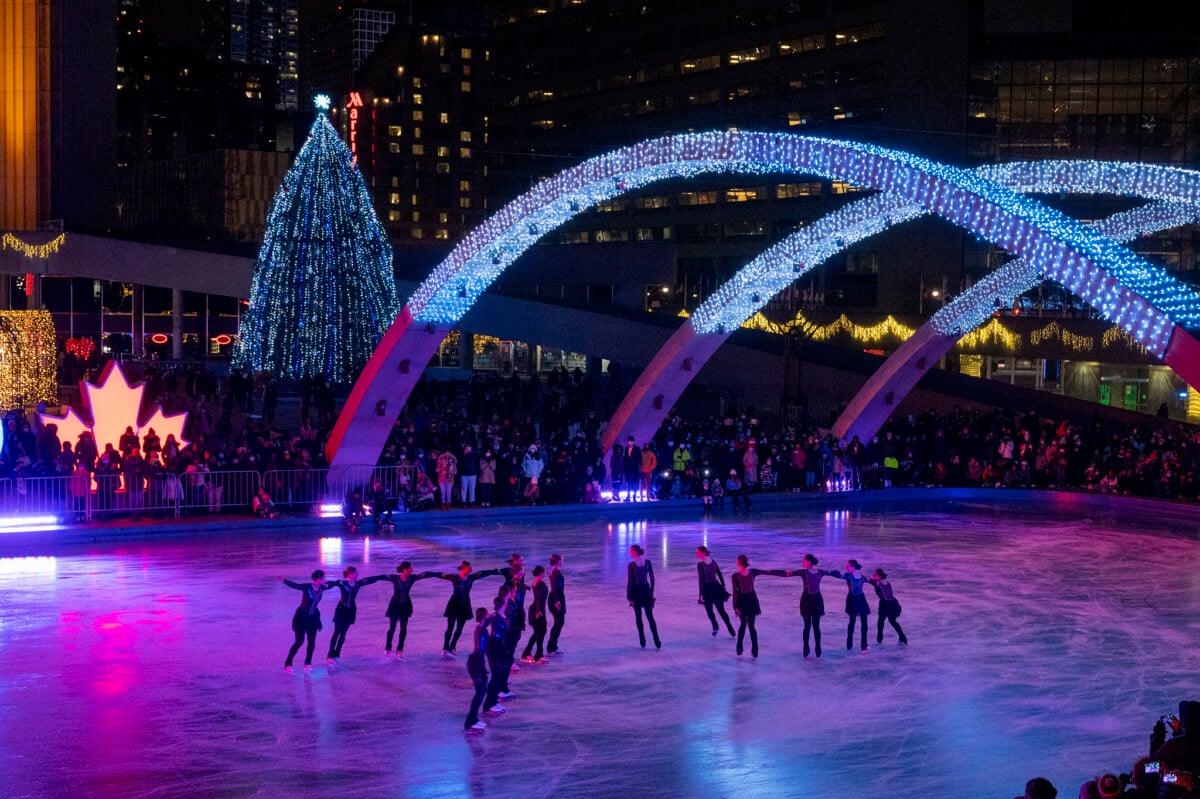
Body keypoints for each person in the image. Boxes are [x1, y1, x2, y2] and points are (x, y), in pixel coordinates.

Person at [437, 561, 502, 657]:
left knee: (459, 628)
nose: (471, 570)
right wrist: (427, 574)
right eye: (469, 568)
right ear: (463, 568)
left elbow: (482, 573)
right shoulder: (454, 577)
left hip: (464, 605)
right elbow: (440, 575)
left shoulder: (471, 578)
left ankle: (453, 646)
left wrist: (494, 571)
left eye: (471, 568)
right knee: (450, 628)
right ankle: (445, 647)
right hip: (453, 605)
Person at [730, 554, 790, 658]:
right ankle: (739, 646)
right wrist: (735, 607)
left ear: (739, 562)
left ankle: (755, 648)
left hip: (752, 601)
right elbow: (735, 593)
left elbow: (768, 572)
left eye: (737, 560)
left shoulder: (752, 572)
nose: (736, 562)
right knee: (743, 624)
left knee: (751, 626)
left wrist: (782, 572)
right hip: (742, 602)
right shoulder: (735, 576)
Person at [325, 566, 386, 663]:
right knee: (336, 633)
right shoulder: (343, 583)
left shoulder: (358, 584)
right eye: (356, 573)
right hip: (341, 610)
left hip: (351, 611)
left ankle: (337, 653)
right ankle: (330, 654)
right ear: (350, 574)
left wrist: (379, 577)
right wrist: (323, 585)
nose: (358, 575)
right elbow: (332, 583)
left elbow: (369, 580)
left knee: (343, 633)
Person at [277, 570, 332, 672]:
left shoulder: (322, 587)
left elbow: (332, 585)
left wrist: (340, 582)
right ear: (319, 579)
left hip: (313, 618)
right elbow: (296, 586)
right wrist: (284, 580)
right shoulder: (307, 587)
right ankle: (288, 663)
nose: (325, 579)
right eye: (323, 578)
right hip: (301, 617)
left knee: (312, 642)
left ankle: (308, 663)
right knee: (299, 641)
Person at [379, 561, 435, 658]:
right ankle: (388, 648)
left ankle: (400, 649)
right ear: (404, 569)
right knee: (392, 628)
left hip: (405, 605)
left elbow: (425, 574)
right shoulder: (394, 578)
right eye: (410, 568)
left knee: (403, 628)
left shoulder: (412, 578)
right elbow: (380, 577)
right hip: (395, 605)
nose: (412, 570)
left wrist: (438, 574)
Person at [794, 553, 839, 658]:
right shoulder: (803, 572)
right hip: (806, 601)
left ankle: (818, 646)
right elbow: (786, 573)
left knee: (815, 626)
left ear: (809, 562)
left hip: (817, 601)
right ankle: (806, 647)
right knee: (807, 625)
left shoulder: (819, 572)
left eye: (804, 560)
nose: (802, 562)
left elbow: (833, 574)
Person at [695, 546, 736, 638]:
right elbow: (719, 574)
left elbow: (701, 581)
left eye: (697, 552)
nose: (696, 554)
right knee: (721, 611)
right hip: (716, 588)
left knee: (710, 612)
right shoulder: (713, 561)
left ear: (703, 553)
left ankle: (715, 626)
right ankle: (730, 629)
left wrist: (700, 594)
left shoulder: (700, 565)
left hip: (707, 590)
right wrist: (723, 585)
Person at [626, 544, 661, 649]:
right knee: (650, 617)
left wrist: (629, 597)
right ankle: (657, 640)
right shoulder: (647, 563)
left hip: (636, 593)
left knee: (639, 617)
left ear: (635, 552)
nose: (630, 552)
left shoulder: (631, 565)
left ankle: (642, 639)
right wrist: (651, 593)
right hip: (646, 592)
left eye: (631, 551)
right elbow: (652, 579)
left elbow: (630, 582)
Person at [464, 607, 491, 734]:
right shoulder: (480, 629)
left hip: (478, 662)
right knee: (480, 692)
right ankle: (470, 723)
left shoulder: (482, 628)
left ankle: (474, 719)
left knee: (481, 692)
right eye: (487, 615)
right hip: (475, 663)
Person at [482, 596, 509, 717]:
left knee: (500, 675)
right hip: (493, 647)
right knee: (496, 675)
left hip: (500, 647)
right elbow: (482, 625)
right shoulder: (494, 617)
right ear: (503, 605)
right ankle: (488, 705)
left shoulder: (503, 616)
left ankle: (493, 701)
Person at [868, 568, 908, 645]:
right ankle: (903, 637)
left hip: (886, 604)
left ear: (879, 576)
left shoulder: (877, 582)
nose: (873, 575)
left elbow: (867, 580)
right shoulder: (887, 582)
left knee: (881, 621)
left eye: (875, 574)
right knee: (892, 621)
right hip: (894, 603)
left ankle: (879, 640)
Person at [840, 559, 871, 652]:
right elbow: (870, 580)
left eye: (848, 566)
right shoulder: (862, 577)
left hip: (854, 599)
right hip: (860, 599)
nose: (846, 567)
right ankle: (863, 646)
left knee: (853, 622)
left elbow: (837, 575)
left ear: (853, 567)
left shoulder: (849, 576)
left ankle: (850, 645)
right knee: (863, 623)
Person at [520, 565, 550, 664]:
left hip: (539, 609)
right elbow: (538, 598)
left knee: (538, 632)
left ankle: (528, 653)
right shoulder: (538, 583)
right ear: (541, 572)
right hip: (537, 610)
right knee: (540, 632)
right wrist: (538, 611)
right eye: (544, 571)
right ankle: (538, 655)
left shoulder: (538, 582)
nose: (545, 573)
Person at [546, 554, 566, 655]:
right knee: (559, 623)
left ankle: (552, 646)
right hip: (556, 599)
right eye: (561, 560)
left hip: (557, 597)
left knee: (558, 623)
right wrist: (556, 601)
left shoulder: (554, 571)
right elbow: (554, 587)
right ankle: (551, 647)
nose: (562, 561)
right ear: (558, 561)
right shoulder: (555, 573)